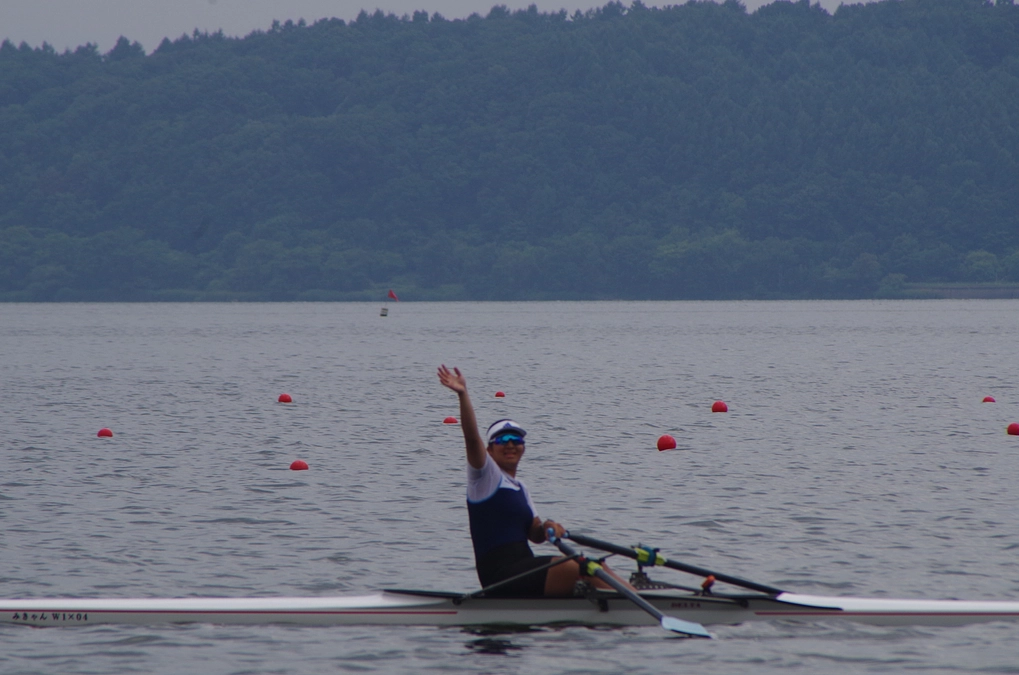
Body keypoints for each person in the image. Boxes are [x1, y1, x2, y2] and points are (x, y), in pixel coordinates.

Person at [438, 364, 632, 597]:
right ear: (489, 450)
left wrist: (549, 526)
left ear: (524, 447)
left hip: (525, 569)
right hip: (500, 576)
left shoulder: (521, 488)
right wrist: (463, 394)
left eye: (516, 439)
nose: (510, 444)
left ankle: (636, 598)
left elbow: (535, 535)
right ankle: (633, 603)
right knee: (583, 567)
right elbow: (471, 438)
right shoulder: (484, 478)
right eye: (502, 440)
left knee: (596, 565)